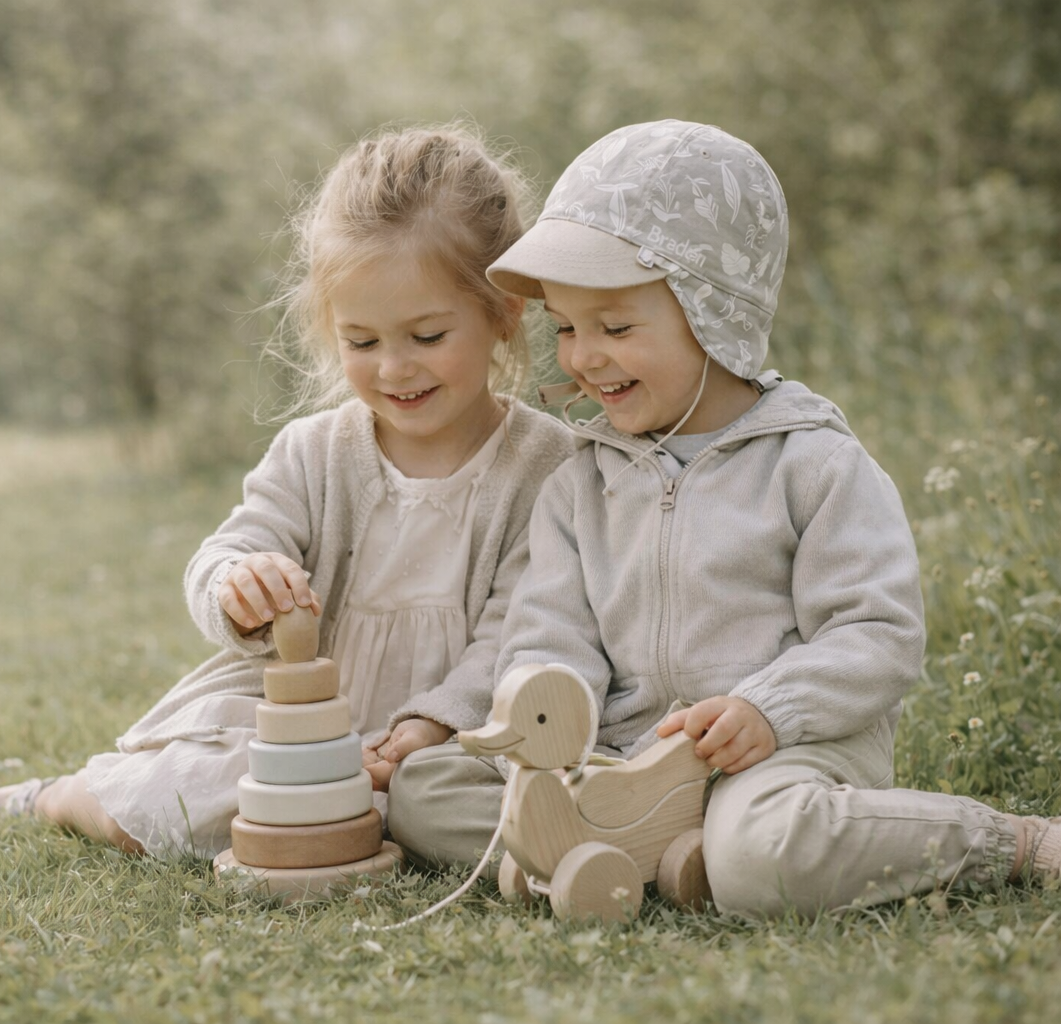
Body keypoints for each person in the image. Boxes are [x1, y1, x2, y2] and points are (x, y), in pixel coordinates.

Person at [388, 120, 1059, 914]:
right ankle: (663, 857)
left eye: (616, 326)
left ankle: (1012, 842)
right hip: (623, 755)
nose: (582, 356)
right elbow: (551, 628)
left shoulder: (812, 464)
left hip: (777, 754)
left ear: (713, 314)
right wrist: (552, 713)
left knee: (765, 849)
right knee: (424, 788)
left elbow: (877, 633)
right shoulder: (581, 481)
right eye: (566, 327)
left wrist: (770, 710)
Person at [0, 125, 576, 858]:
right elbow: (231, 547)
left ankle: (379, 803)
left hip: (453, 733)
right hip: (294, 722)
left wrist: (432, 724)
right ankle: (64, 797)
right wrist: (238, 585)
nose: (393, 369)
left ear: (503, 311)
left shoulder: (545, 465)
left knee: (479, 790)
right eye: (362, 342)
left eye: (426, 336)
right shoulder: (317, 453)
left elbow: (520, 627)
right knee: (193, 793)